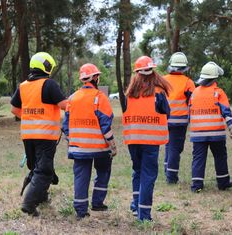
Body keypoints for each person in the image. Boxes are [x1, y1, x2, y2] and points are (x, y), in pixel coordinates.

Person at [11, 52, 67, 216]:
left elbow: (14, 109)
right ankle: (28, 204)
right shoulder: (49, 84)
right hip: (45, 136)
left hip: (28, 136)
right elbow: (64, 105)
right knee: (44, 171)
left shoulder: (23, 86)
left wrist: (31, 118)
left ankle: (41, 197)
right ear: (47, 66)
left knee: (37, 167)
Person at [62, 63, 117, 220]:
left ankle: (81, 211)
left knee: (81, 177)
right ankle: (97, 203)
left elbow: (66, 126)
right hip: (100, 148)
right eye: (97, 76)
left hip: (78, 148)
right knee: (103, 171)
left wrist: (72, 142)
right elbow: (106, 126)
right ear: (94, 78)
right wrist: (113, 146)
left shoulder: (71, 98)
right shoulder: (100, 98)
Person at [123, 56, 171, 221]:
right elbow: (167, 112)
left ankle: (136, 205)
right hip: (150, 142)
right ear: (153, 72)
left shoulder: (130, 93)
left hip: (133, 140)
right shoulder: (159, 92)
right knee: (148, 176)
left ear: (137, 73)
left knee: (138, 172)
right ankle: (144, 215)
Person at [189, 61, 232, 192]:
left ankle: (196, 186)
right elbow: (226, 110)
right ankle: (223, 183)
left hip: (198, 134)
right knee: (220, 157)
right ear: (215, 78)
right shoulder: (218, 92)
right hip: (216, 133)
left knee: (198, 159)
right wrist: (230, 125)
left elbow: (189, 111)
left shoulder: (194, 93)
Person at [163, 52, 195, 184]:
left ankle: (167, 170)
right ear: (184, 67)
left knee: (168, 146)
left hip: (164, 121)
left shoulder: (162, 80)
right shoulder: (188, 82)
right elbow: (193, 102)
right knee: (175, 148)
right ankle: (171, 176)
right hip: (180, 122)